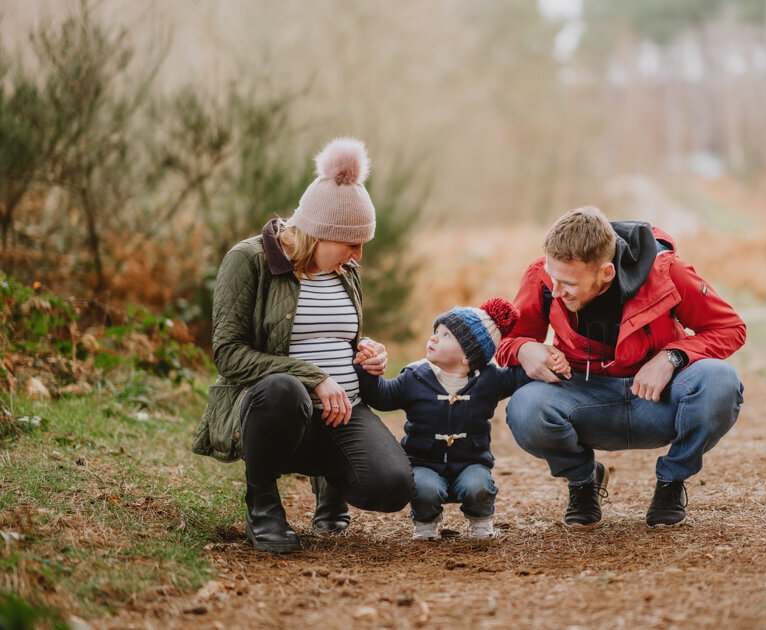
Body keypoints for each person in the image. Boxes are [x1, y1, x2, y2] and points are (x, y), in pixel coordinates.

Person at [191, 137, 414, 553]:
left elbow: (335, 335)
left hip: (342, 409)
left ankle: (329, 481)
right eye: (352, 243)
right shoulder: (249, 260)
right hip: (276, 409)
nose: (358, 255)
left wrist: (366, 353)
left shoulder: (344, 271)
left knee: (392, 487)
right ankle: (262, 506)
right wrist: (312, 377)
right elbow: (229, 353)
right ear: (322, 233)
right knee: (284, 389)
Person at [495, 206, 745, 528]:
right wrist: (524, 348)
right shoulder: (543, 278)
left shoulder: (667, 272)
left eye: (568, 283)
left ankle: (672, 481)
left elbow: (730, 328)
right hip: (584, 400)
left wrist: (672, 358)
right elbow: (508, 341)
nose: (556, 291)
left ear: (606, 273)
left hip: (658, 399)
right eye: (553, 277)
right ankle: (583, 481)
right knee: (525, 408)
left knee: (720, 381)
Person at [357, 298, 556, 540]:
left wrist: (551, 360)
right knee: (423, 488)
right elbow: (382, 397)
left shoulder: (489, 380)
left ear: (468, 357)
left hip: (471, 461)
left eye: (446, 335)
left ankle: (481, 522)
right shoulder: (415, 377)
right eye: (436, 332)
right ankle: (425, 524)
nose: (433, 338)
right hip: (424, 462)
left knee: (479, 487)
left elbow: (523, 374)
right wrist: (367, 371)